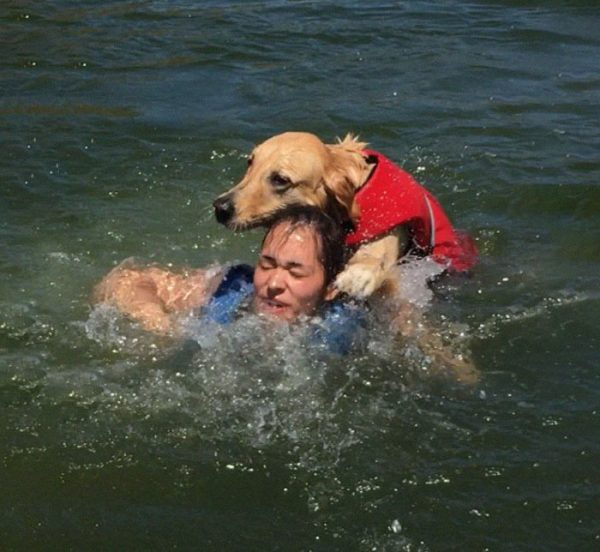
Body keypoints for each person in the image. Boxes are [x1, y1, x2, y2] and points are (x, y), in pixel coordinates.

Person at [93, 205, 366, 354]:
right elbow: (125, 278)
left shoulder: (351, 328)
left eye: (295, 272)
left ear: (331, 288)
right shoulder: (230, 289)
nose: (273, 284)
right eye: (267, 264)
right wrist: (158, 323)